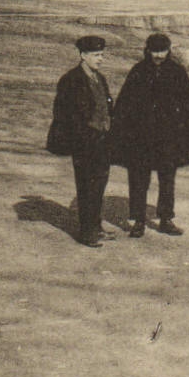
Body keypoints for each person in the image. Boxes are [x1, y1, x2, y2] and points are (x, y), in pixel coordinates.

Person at [110, 33, 189, 237]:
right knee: (138, 179)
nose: (159, 55)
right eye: (155, 51)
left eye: (162, 51)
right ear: (148, 51)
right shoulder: (138, 72)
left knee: (167, 179)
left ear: (168, 51)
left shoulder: (176, 72)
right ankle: (138, 220)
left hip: (167, 138)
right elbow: (124, 104)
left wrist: (186, 129)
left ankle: (166, 219)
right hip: (141, 138)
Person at [45, 35, 116, 248]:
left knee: (99, 185)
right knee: (86, 186)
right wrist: (82, 136)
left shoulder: (99, 78)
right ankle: (87, 232)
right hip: (84, 142)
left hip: (102, 140)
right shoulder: (71, 80)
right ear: (83, 55)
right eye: (96, 55)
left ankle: (96, 226)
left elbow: (106, 105)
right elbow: (63, 113)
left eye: (102, 55)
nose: (100, 59)